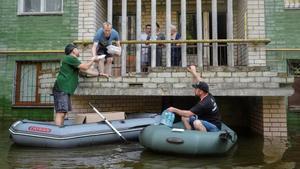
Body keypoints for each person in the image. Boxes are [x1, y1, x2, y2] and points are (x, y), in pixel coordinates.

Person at [53, 44, 106, 126]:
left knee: (63, 112)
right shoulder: (70, 58)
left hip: (65, 89)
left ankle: (60, 129)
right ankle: (57, 132)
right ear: (73, 50)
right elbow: (85, 67)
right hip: (61, 88)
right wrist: (93, 59)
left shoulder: (72, 60)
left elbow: (86, 71)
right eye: (77, 49)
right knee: (61, 112)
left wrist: (99, 74)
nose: (78, 51)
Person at [167, 65, 221, 132]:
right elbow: (201, 81)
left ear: (201, 92)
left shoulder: (204, 103)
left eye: (196, 89)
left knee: (196, 123)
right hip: (204, 120)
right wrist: (193, 72)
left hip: (214, 126)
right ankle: (190, 134)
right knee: (184, 118)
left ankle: (204, 138)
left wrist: (174, 109)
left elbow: (188, 113)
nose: (194, 90)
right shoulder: (208, 94)